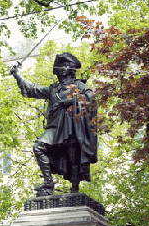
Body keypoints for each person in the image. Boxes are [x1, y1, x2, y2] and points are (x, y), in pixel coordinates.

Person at [11, 52, 97, 196]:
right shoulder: (54, 89)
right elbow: (33, 89)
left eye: (66, 66)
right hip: (55, 126)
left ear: (71, 69)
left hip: (72, 125)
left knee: (73, 156)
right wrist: (17, 75)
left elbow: (91, 98)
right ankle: (48, 182)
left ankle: (74, 188)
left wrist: (71, 101)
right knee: (38, 146)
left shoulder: (78, 85)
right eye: (61, 66)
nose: (63, 68)